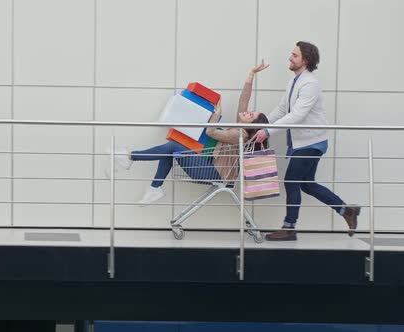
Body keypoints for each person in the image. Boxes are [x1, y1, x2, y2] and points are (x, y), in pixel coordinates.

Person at [114, 62, 270, 204]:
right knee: (172, 149)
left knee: (173, 147)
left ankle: (131, 157)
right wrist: (251, 74)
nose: (247, 112)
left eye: (251, 115)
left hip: (213, 173)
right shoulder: (240, 128)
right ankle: (154, 188)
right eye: (251, 111)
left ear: (251, 126)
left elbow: (211, 132)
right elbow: (244, 100)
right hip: (209, 167)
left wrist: (217, 113)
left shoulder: (240, 135)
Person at [252, 41, 360, 241]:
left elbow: (298, 115)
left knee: (291, 181)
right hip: (301, 142)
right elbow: (283, 110)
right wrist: (263, 124)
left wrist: (268, 130)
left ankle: (289, 227)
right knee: (307, 184)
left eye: (294, 55)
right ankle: (347, 211)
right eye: (291, 54)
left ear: (306, 60)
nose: (290, 58)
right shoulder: (295, 81)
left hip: (311, 142)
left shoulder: (310, 83)